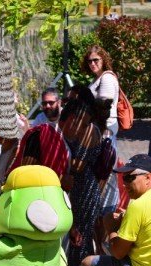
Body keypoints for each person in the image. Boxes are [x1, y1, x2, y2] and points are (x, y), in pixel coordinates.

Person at [81, 154, 151, 266]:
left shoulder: (137, 205)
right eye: (124, 178)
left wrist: (111, 228)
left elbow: (118, 253)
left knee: (87, 264)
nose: (124, 184)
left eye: (130, 177)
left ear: (147, 177)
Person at [81, 45, 120, 254]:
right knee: (97, 195)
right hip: (98, 140)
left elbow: (103, 107)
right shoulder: (97, 80)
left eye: (96, 59)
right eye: (90, 61)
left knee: (105, 193)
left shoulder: (106, 78)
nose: (93, 63)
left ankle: (107, 250)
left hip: (104, 141)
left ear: (103, 59)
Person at [59, 97, 103, 266]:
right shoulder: (73, 131)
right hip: (75, 191)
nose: (83, 125)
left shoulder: (90, 131)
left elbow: (77, 166)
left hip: (85, 192)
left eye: (86, 121)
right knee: (75, 241)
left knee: (82, 241)